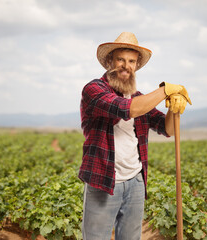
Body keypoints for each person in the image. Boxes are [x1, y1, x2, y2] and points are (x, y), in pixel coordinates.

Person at [78, 32, 192, 240]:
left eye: (131, 61)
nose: (125, 65)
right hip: (103, 181)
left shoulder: (140, 99)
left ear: (136, 65)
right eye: (120, 59)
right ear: (109, 61)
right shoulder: (94, 90)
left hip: (135, 182)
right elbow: (126, 109)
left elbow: (167, 129)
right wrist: (164, 90)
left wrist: (174, 108)